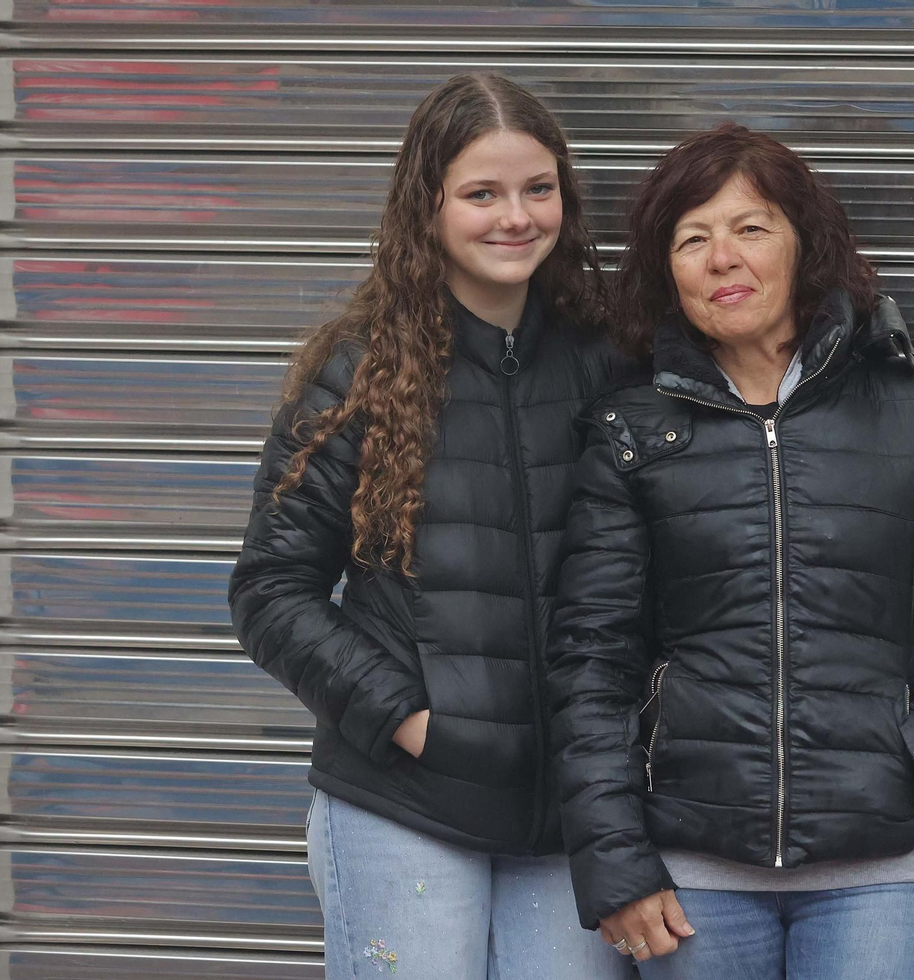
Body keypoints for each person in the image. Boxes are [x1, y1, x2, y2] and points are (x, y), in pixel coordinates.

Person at [546, 123, 914, 979]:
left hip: (878, 869)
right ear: (666, 270)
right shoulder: (632, 433)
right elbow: (591, 657)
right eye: (692, 238)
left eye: (751, 228)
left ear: (803, 244)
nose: (721, 258)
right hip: (693, 875)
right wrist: (615, 858)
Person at [228, 74, 631, 980]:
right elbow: (270, 589)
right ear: (430, 205)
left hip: (567, 816)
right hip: (403, 804)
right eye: (482, 194)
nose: (516, 217)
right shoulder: (360, 370)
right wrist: (409, 719)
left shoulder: (607, 361)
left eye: (538, 188)